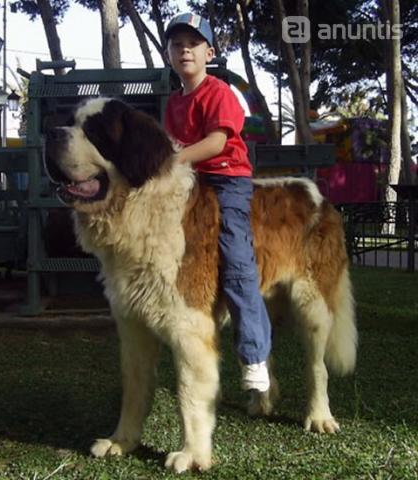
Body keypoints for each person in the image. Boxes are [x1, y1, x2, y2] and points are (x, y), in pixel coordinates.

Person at [164, 12, 272, 393]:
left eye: (192, 44)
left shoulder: (219, 93)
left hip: (227, 181)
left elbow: (217, 142)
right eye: (177, 45)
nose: (184, 51)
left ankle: (254, 355)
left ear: (209, 52)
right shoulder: (173, 103)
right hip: (189, 183)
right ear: (170, 54)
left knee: (235, 254)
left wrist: (172, 160)